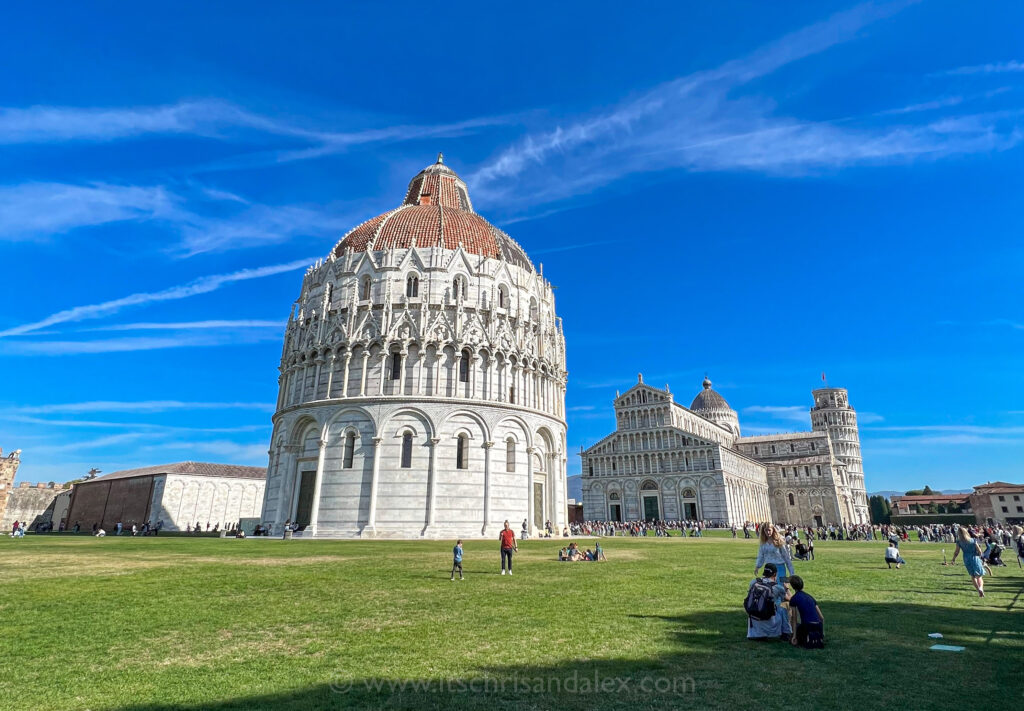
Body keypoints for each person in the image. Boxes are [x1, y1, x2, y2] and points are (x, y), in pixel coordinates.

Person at [745, 563, 792, 641]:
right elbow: (790, 599)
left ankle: (759, 634)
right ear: (775, 574)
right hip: (769, 621)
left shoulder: (754, 582)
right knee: (784, 606)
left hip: (754, 620)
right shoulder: (777, 587)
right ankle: (786, 633)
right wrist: (787, 588)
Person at [787, 576, 825, 649]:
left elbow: (794, 619)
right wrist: (821, 632)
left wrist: (794, 636)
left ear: (792, 586)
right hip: (818, 626)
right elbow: (821, 617)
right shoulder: (810, 597)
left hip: (807, 626)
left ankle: (798, 639)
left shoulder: (794, 598)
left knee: (794, 623)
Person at [950, 527, 986, 597]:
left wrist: (953, 559)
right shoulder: (973, 540)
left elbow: (957, 552)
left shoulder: (959, 541)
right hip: (975, 557)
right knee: (979, 576)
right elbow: (979, 551)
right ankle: (981, 588)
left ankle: (978, 590)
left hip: (966, 558)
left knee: (972, 576)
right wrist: (981, 556)